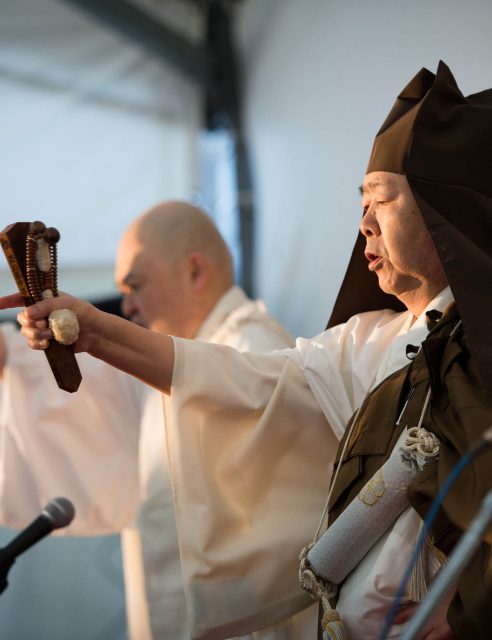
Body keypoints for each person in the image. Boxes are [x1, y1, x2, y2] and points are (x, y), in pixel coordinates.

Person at [3, 60, 492, 639]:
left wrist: (469, 617)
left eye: (380, 201)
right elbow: (254, 385)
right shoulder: (369, 343)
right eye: (360, 204)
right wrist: (94, 332)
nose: (363, 224)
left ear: (442, 209)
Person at [0, 201, 312, 640]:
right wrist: (12, 355)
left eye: (135, 286)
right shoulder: (179, 354)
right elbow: (101, 401)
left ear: (195, 272)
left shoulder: (253, 350)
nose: (127, 306)